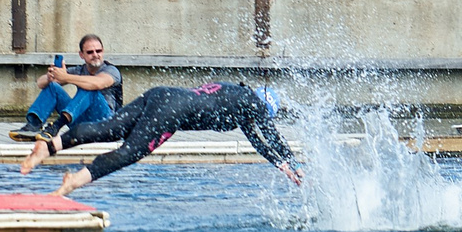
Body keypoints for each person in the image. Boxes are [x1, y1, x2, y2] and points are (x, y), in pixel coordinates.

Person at [43, 80, 300, 195]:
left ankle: (51, 145)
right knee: (128, 153)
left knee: (107, 129)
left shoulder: (239, 99)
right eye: (265, 117)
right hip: (170, 114)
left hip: (163, 96)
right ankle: (74, 181)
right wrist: (291, 162)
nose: (261, 121)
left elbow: (259, 140)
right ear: (264, 109)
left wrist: (281, 164)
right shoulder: (253, 104)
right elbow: (270, 136)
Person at [10, 34, 121, 147]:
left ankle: (56, 126)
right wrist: (51, 76)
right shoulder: (79, 70)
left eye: (98, 51)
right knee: (53, 86)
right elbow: (40, 83)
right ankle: (34, 125)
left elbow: (97, 83)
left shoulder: (111, 70)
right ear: (81, 55)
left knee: (90, 88)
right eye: (90, 52)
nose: (95, 55)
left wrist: (65, 77)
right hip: (83, 125)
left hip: (106, 127)